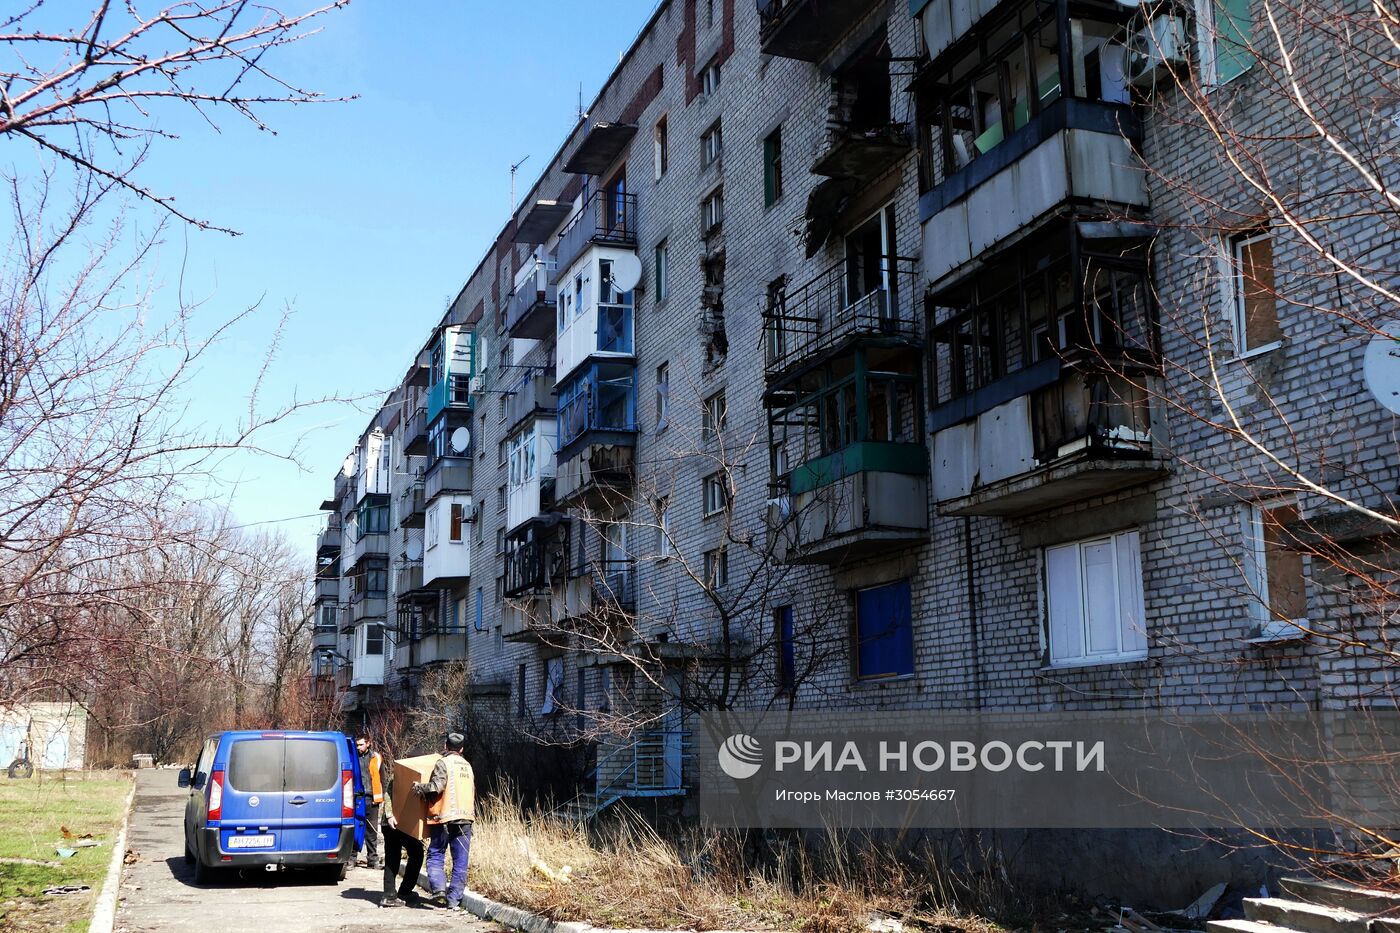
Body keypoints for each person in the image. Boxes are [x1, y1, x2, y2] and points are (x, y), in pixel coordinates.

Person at [413, 731, 474, 910]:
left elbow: (436, 787)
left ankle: (439, 889)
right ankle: (454, 900)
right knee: (461, 860)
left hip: (445, 818)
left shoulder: (443, 762)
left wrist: (420, 788)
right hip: (466, 819)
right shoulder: (467, 766)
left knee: (435, 854)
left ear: (445, 746)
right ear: (462, 749)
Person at [378, 751, 425, 909]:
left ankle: (390, 896)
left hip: (394, 823)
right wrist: (390, 815)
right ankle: (402, 892)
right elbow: (388, 794)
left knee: (394, 857)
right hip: (394, 824)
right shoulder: (401, 775)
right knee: (415, 853)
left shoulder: (407, 775)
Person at [355, 735, 385, 870]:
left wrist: (380, 798)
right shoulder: (353, 757)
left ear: (368, 743)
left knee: (371, 832)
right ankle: (351, 858)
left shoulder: (376, 758)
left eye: (361, 744)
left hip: (372, 799)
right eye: (357, 745)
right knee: (355, 829)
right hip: (357, 798)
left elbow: (381, 779)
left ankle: (372, 860)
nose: (358, 747)